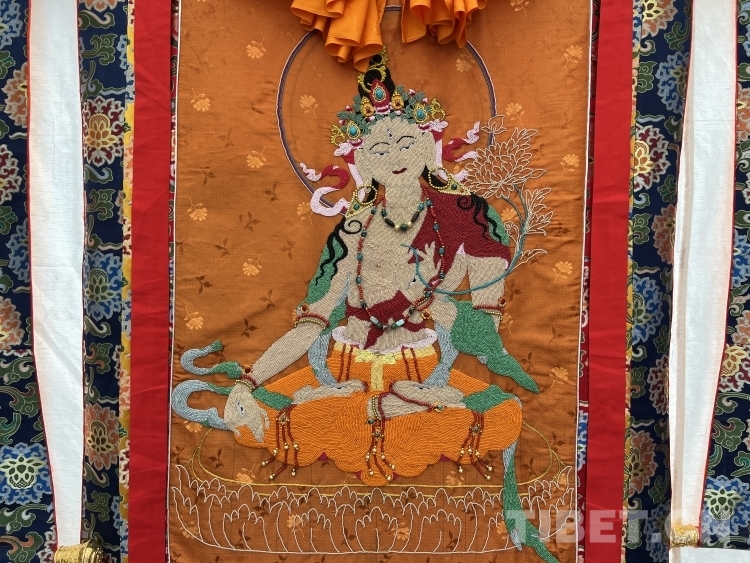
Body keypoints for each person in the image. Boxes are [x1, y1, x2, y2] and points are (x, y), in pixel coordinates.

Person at [173, 49, 558, 562]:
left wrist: (433, 302)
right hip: (343, 370)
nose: (394, 154)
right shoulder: (353, 230)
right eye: (379, 147)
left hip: (423, 372)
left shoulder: (466, 218)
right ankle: (347, 405)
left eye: (407, 141)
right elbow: (311, 324)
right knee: (260, 414)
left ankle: (397, 406)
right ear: (362, 164)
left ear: (430, 149)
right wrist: (248, 380)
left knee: (502, 417)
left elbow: (484, 330)